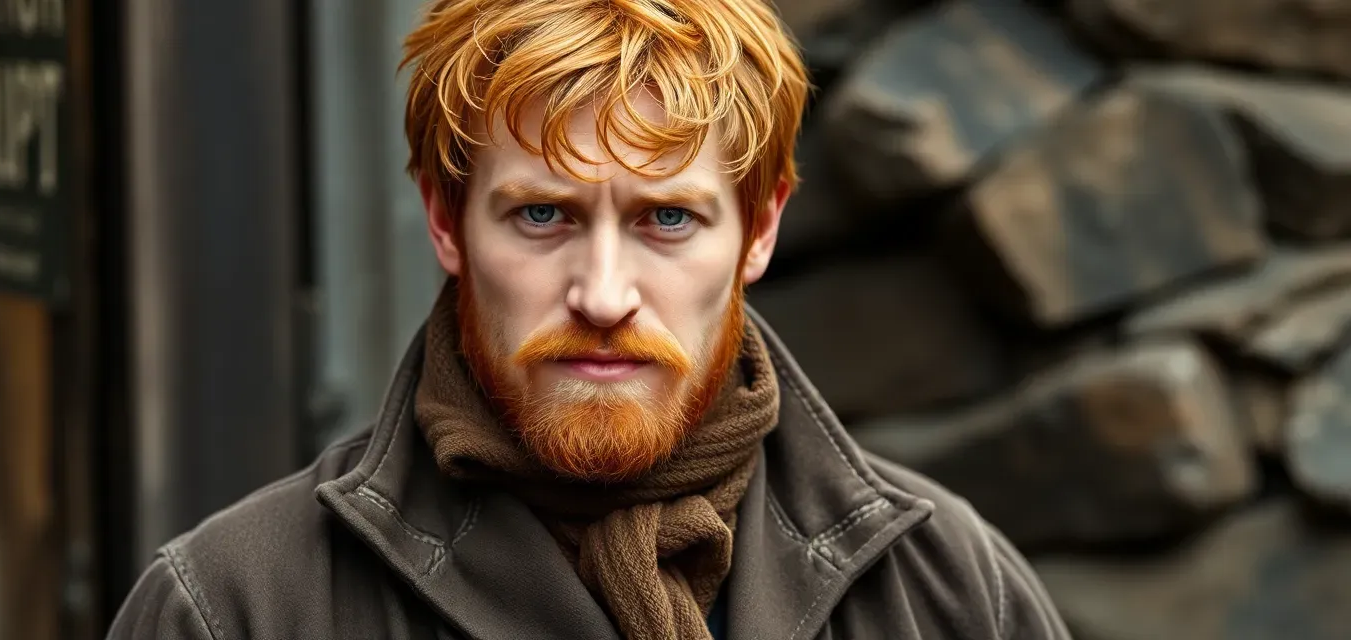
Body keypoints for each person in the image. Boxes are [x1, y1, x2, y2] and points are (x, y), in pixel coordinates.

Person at [108, 0, 1071, 637]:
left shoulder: (950, 592)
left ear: (759, 230)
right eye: (542, 215)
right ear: (446, 219)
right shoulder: (233, 611)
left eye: (667, 218)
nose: (604, 295)